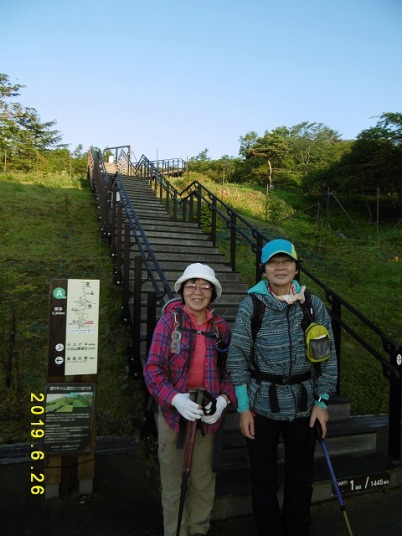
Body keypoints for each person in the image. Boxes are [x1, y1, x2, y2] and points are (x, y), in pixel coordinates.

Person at [226, 239, 338, 536]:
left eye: (286, 261)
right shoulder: (251, 306)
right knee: (263, 478)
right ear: (263, 269)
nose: (279, 267)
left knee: (301, 477)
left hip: (304, 406)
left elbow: (328, 359)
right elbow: (237, 358)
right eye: (272, 262)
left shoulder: (313, 305)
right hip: (260, 405)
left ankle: (297, 529)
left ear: (296, 268)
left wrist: (322, 402)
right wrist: (243, 407)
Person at [143, 263, 237, 536]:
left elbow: (231, 371)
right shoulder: (168, 323)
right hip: (173, 416)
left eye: (205, 287)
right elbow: (152, 370)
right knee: (173, 485)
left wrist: (223, 400)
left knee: (203, 482)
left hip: (207, 415)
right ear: (182, 290)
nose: (198, 292)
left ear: (213, 293)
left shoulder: (220, 328)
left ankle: (198, 530)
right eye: (191, 285)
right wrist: (175, 399)